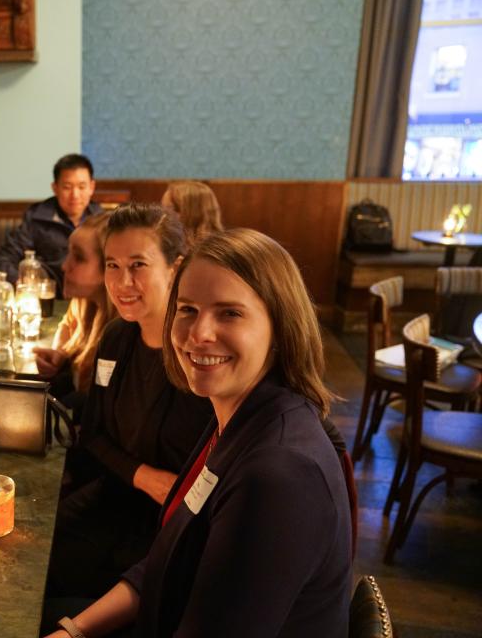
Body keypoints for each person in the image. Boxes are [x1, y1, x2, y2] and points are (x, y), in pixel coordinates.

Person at [45, 228, 352, 638]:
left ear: (280, 327)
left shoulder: (278, 474)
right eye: (187, 309)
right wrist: (75, 631)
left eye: (230, 313)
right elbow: (170, 555)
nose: (198, 334)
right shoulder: (233, 417)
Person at [45, 204, 212, 599]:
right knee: (24, 560)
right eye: (112, 265)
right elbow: (96, 436)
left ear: (176, 267)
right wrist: (143, 476)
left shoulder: (200, 355)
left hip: (173, 526)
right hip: (114, 497)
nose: (122, 282)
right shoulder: (117, 337)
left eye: (138, 265)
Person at [32, 212, 117, 411]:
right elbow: (67, 326)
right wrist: (61, 354)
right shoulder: (84, 302)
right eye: (68, 253)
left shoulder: (123, 333)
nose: (64, 265)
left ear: (110, 266)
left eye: (78, 257)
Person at [0, 154, 102, 295]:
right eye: (67, 187)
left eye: (82, 187)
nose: (75, 195)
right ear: (55, 188)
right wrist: (21, 283)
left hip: (90, 299)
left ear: (92, 187)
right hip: (47, 298)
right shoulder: (37, 219)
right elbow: (3, 258)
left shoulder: (102, 221)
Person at [161, 180, 223, 247]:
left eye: (170, 209)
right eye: (162, 208)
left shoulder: (214, 250)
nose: (163, 215)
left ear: (193, 213)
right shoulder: (167, 241)